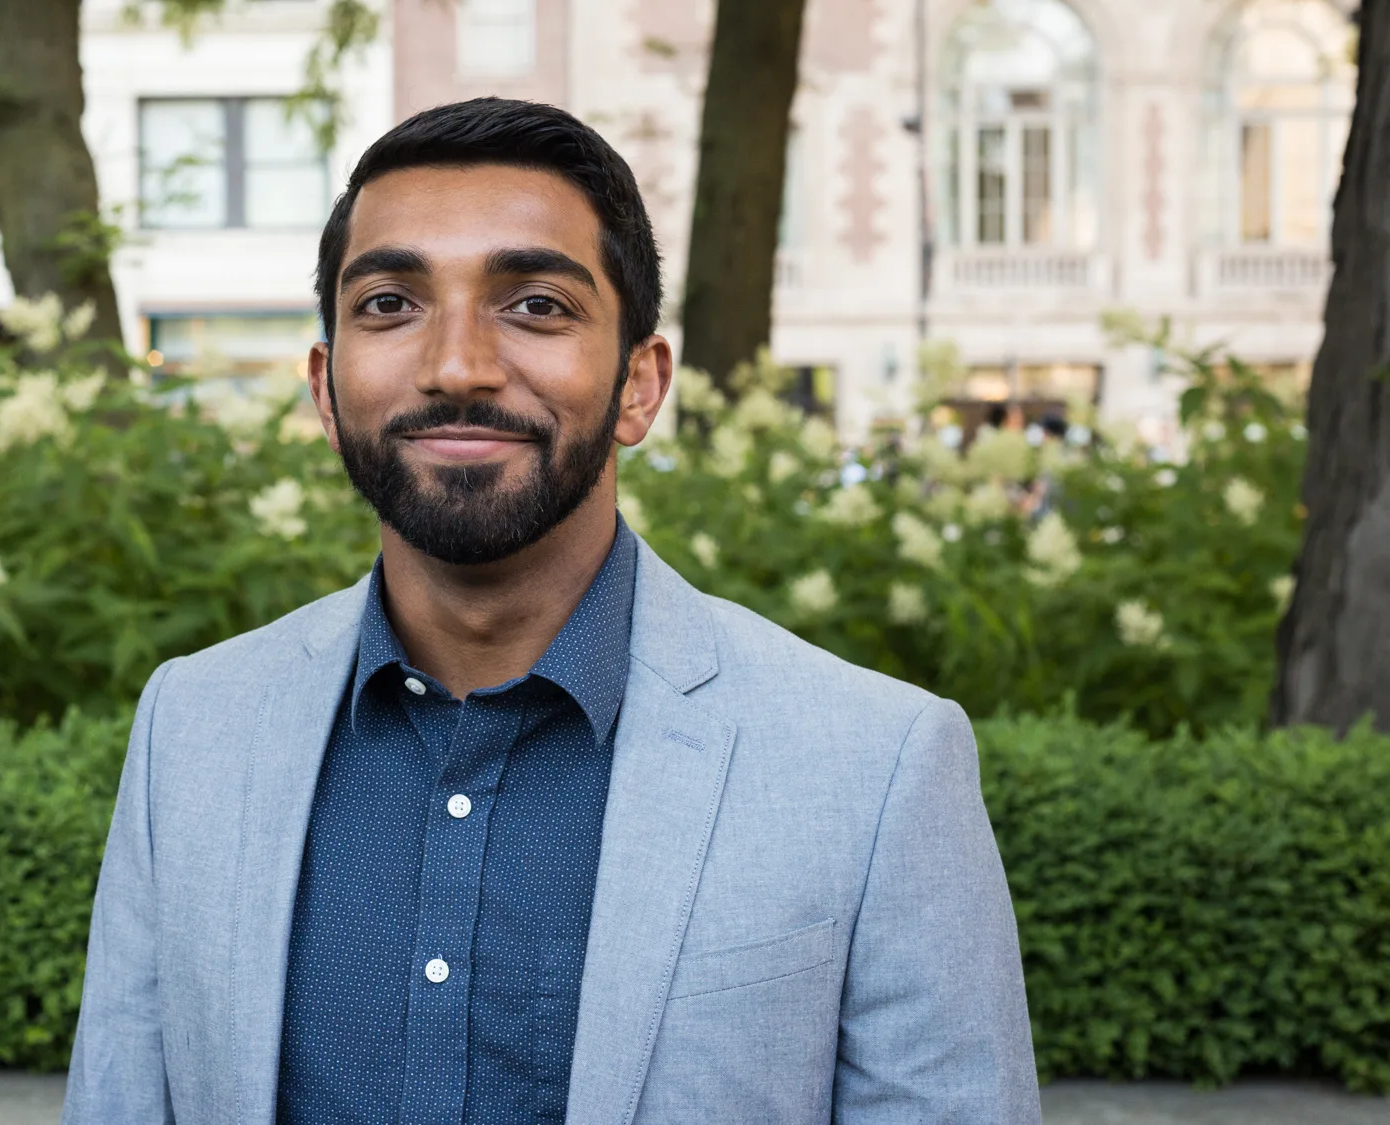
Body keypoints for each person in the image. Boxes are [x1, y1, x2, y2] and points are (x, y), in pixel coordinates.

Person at [62, 97, 1038, 1124]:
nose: (455, 367)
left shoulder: (874, 766)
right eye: (389, 304)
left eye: (535, 305)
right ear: (324, 385)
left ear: (638, 386)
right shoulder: (192, 728)